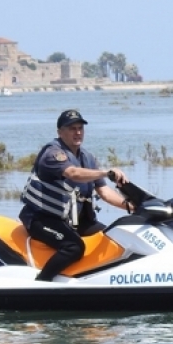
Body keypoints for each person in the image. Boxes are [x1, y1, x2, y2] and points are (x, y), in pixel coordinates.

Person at [19, 109, 133, 281]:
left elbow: (104, 191)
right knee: (74, 247)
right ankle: (41, 283)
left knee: (113, 238)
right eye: (72, 128)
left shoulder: (87, 157)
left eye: (80, 128)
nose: (78, 132)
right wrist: (106, 172)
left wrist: (130, 206)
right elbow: (72, 173)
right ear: (60, 132)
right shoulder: (52, 154)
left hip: (74, 221)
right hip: (42, 219)